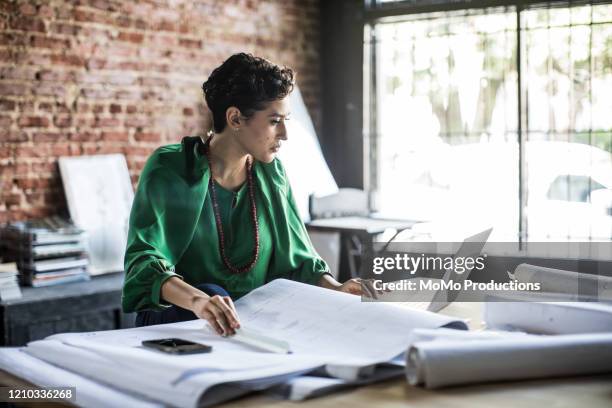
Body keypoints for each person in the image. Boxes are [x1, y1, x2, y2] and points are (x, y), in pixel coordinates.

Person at [122, 52, 376, 337]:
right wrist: (200, 301)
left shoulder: (271, 173)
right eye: (274, 120)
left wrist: (337, 288)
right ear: (235, 118)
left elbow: (299, 262)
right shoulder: (170, 168)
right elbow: (144, 261)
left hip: (250, 321)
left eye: (285, 120)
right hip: (179, 318)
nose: (284, 134)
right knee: (212, 291)